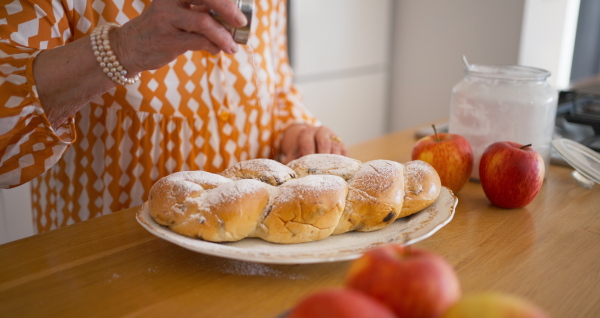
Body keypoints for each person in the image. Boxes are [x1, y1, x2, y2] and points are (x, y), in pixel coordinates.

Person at [0, 0, 347, 232]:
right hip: (112, 266)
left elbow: (277, 87)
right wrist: (124, 48)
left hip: (248, 250)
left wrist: (297, 131)